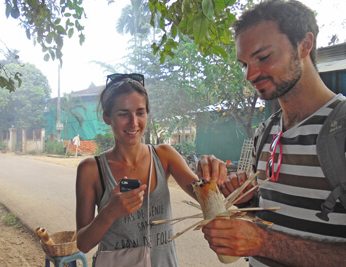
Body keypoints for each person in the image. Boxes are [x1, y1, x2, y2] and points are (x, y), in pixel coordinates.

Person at [197, 1, 346, 266]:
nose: (250, 75)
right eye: (244, 64)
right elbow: (270, 215)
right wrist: (247, 200)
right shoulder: (266, 132)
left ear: (304, 44)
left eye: (263, 57)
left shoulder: (340, 128)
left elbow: (268, 240)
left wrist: (265, 243)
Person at [75, 73, 199, 266]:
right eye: (123, 114)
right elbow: (82, 243)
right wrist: (109, 213)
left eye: (140, 113)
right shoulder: (91, 170)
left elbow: (206, 195)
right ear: (107, 117)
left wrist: (213, 173)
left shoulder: (164, 156)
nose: (134, 123)